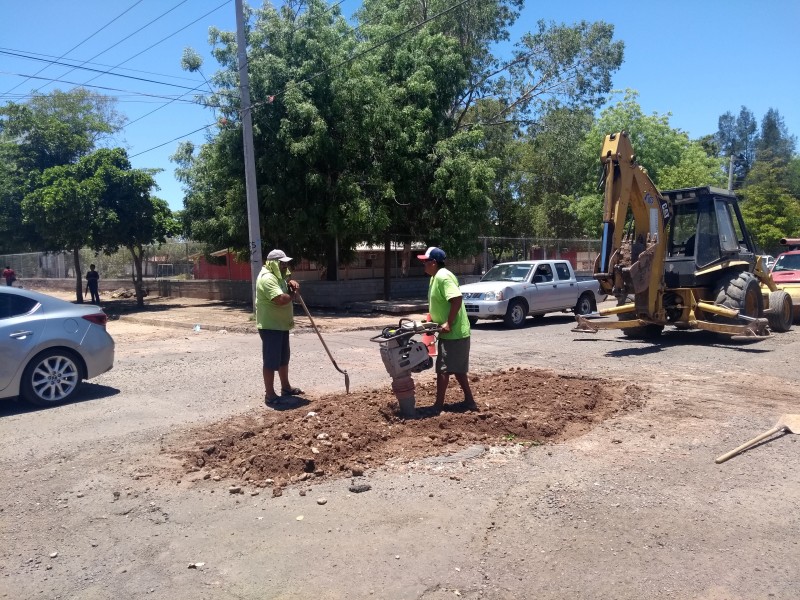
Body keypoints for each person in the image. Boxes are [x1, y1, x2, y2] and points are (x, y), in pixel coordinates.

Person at [418, 246, 476, 412]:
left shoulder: (443, 277)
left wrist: (448, 323)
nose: (424, 265)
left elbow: (457, 299)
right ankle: (470, 401)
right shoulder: (435, 277)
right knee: (457, 370)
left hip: (455, 332)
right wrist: (431, 321)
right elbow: (439, 304)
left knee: (443, 369)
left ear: (434, 263)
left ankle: (437, 406)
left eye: (425, 262)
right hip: (449, 332)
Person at [256, 249, 304, 405]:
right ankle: (270, 395)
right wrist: (293, 294)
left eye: (286, 263)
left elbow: (287, 281)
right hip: (270, 326)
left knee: (284, 359)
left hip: (281, 325)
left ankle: (286, 388)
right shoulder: (267, 278)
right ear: (273, 263)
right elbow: (281, 299)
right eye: (282, 263)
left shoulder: (279, 276)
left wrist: (291, 282)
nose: (285, 266)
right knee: (271, 361)